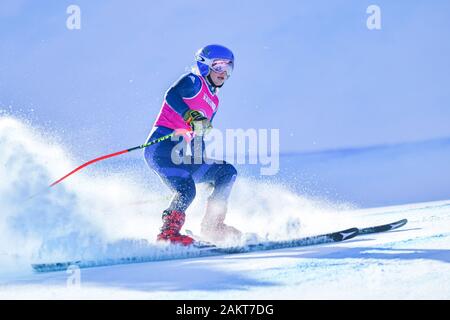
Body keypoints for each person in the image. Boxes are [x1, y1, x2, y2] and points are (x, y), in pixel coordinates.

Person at [144, 44, 241, 246]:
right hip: (160, 149)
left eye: (229, 67)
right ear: (205, 65)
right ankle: (168, 234)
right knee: (187, 190)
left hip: (180, 154)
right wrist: (188, 114)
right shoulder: (193, 81)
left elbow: (198, 135)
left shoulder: (214, 101)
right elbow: (171, 95)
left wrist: (202, 165)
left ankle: (212, 226)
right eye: (219, 66)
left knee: (226, 172)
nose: (224, 73)